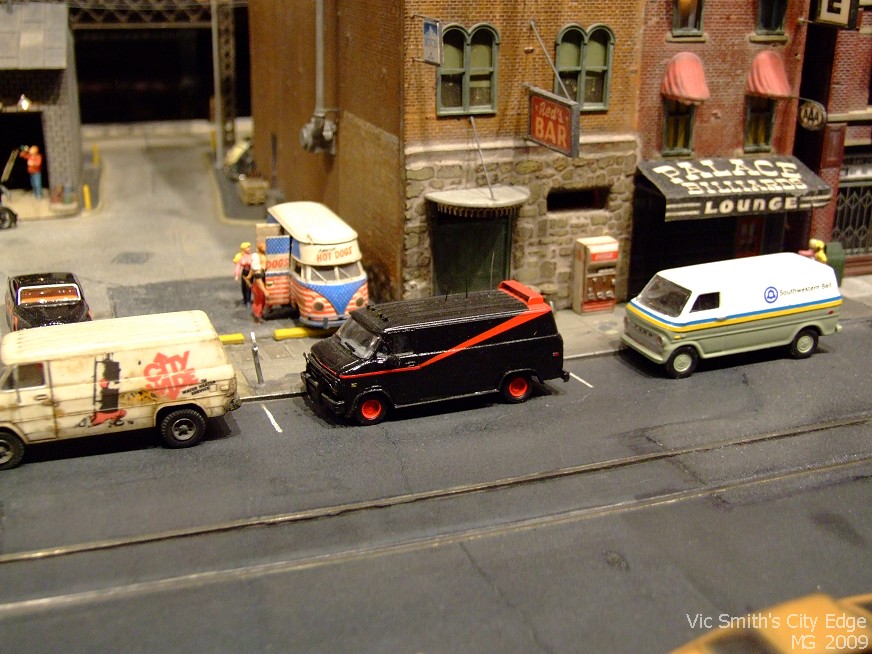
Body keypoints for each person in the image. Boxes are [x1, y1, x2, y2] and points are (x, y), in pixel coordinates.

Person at [244, 243, 269, 322]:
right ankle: (257, 315)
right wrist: (264, 291)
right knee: (259, 300)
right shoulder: (257, 266)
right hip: (258, 285)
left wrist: (249, 276)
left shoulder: (260, 259)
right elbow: (258, 280)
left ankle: (259, 313)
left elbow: (252, 269)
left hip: (262, 282)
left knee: (262, 300)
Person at [233, 242, 252, 306]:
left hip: (250, 272)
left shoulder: (251, 256)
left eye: (249, 247)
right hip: (244, 272)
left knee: (248, 287)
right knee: (243, 286)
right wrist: (236, 275)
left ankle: (248, 301)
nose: (249, 248)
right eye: (247, 247)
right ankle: (245, 299)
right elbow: (238, 266)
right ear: (243, 249)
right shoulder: (241, 257)